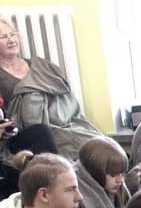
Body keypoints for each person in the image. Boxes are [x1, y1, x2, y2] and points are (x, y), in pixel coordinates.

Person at [0, 17, 101, 161]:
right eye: (3, 37)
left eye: (13, 34)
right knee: (46, 134)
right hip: (28, 131)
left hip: (63, 122)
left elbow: (65, 97)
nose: (11, 40)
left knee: (97, 144)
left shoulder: (40, 66)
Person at [74, 136, 130, 208]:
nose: (120, 180)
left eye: (122, 173)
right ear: (94, 172)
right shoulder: (76, 198)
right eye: (113, 174)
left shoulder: (119, 187)